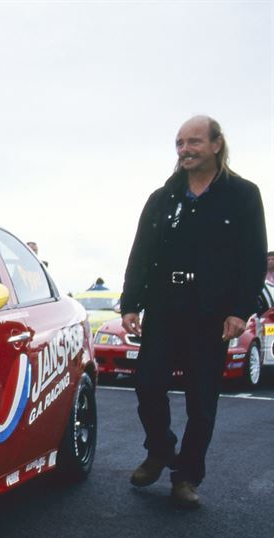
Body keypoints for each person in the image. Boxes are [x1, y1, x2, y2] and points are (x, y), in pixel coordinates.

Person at [121, 115, 267, 507]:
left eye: (194, 142)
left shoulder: (243, 195)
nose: (185, 150)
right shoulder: (163, 198)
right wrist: (130, 303)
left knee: (201, 400)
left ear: (216, 144)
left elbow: (253, 258)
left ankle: (187, 477)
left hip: (211, 314)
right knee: (148, 385)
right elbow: (141, 252)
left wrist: (240, 310)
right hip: (165, 307)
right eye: (180, 144)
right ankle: (160, 450)